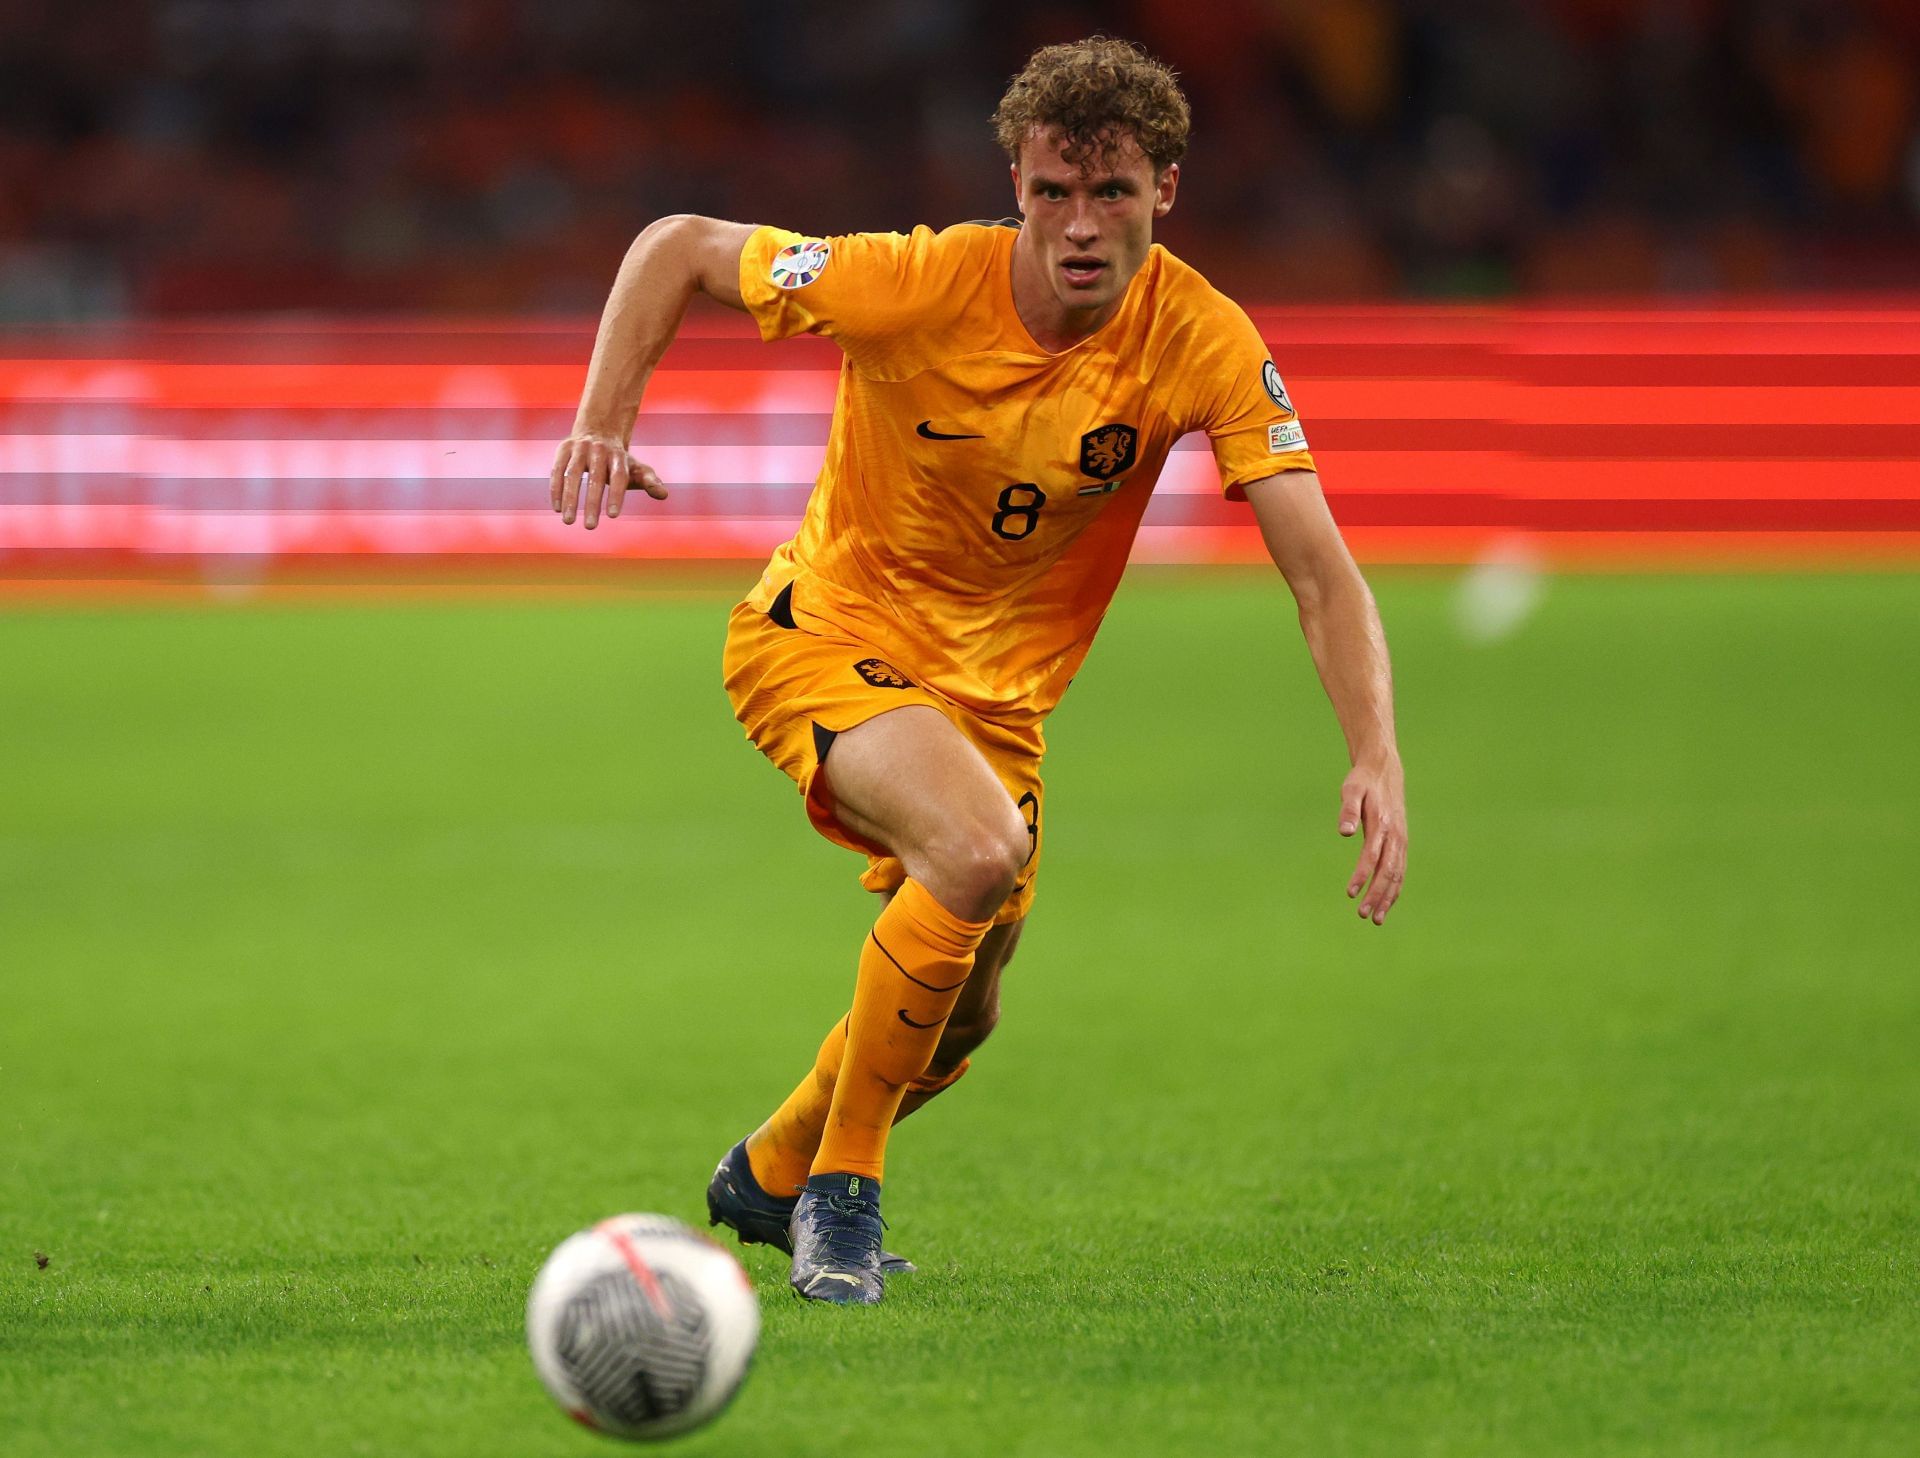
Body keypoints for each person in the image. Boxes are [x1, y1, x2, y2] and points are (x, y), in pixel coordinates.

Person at [548, 37, 1408, 1305]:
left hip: (997, 712)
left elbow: (1321, 572)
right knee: (976, 854)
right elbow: (676, 243)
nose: (1079, 223)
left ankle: (770, 1170)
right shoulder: (912, 281)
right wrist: (603, 419)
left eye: (1112, 193)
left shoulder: (1204, 340)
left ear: (1166, 190)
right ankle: (842, 1193)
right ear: (1015, 178)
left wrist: (1376, 747)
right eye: (1055, 189)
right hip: (823, 634)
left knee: (965, 1017)